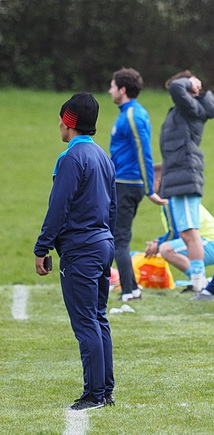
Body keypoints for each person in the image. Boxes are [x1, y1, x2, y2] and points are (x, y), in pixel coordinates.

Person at [34, 93, 116, 410]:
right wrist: (110, 242)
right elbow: (113, 209)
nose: (59, 124)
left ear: (68, 121)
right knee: (98, 318)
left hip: (80, 249)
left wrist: (42, 247)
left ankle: (95, 394)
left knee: (85, 323)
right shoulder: (103, 157)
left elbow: (58, 207)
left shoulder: (70, 158)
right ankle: (105, 390)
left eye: (61, 119)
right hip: (103, 244)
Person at [108, 67, 167, 302]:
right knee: (116, 237)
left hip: (127, 184)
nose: (109, 90)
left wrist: (149, 189)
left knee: (119, 239)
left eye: (112, 86)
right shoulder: (127, 113)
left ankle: (130, 290)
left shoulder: (133, 115)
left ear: (123, 89)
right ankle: (128, 287)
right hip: (121, 182)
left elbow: (144, 151)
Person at [159, 70, 214, 293]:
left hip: (185, 173)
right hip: (179, 174)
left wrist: (189, 82)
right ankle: (198, 282)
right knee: (186, 233)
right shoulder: (186, 108)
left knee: (191, 233)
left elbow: (176, 88)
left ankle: (199, 283)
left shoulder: (190, 107)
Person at [143, 164, 214, 288]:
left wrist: (159, 244)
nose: (147, 187)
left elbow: (176, 234)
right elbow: (177, 233)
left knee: (166, 249)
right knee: (165, 247)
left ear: (158, 181)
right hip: (208, 242)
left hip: (213, 245)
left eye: (149, 182)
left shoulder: (170, 201)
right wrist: (158, 242)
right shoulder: (171, 199)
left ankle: (199, 282)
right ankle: (199, 282)